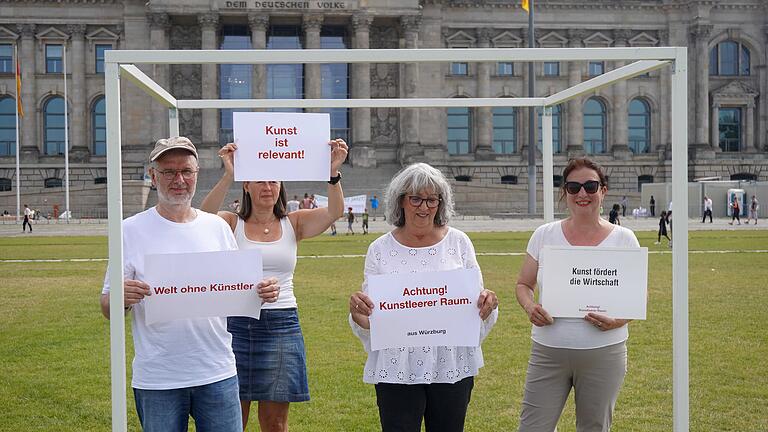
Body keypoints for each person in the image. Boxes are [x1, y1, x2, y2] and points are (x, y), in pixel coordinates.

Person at [99, 137, 280, 432]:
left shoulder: (217, 227)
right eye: (168, 172)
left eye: (186, 171)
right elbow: (107, 306)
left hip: (217, 371)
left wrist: (262, 291)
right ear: (153, 176)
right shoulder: (129, 230)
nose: (178, 179)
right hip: (159, 378)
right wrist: (122, 296)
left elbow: (238, 289)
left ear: (196, 174)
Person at [200, 138, 348, 432]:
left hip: (282, 325)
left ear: (280, 186)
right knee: (232, 418)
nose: (267, 187)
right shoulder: (231, 223)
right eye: (258, 180)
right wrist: (228, 173)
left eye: (273, 180)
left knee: (275, 423)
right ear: (247, 186)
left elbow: (335, 212)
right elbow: (203, 218)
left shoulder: (294, 223)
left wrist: (332, 173)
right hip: (235, 325)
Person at [349, 163, 499, 432]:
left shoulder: (459, 242)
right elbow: (371, 316)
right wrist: (359, 313)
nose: (424, 207)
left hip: (450, 362)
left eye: (432, 199)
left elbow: (477, 302)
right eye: (416, 198)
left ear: (441, 203)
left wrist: (487, 303)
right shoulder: (380, 249)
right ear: (401, 201)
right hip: (397, 365)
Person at [515, 158, 640, 432]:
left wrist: (617, 321)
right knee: (532, 427)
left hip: (604, 352)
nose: (582, 194)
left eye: (590, 186)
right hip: (549, 351)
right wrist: (529, 307)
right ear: (565, 193)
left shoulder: (624, 239)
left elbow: (637, 298)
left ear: (603, 191)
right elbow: (524, 284)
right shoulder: (543, 235)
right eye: (573, 187)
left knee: (594, 427)